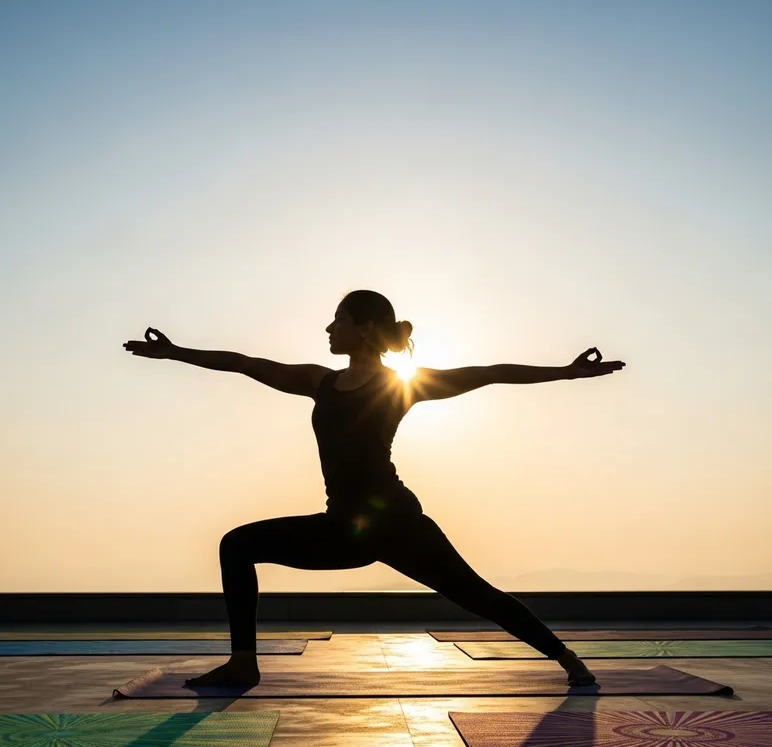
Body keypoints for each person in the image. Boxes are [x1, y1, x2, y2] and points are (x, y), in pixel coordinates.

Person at [123, 289, 625, 688]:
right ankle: (243, 664)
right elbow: (243, 362)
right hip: (343, 527)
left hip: (398, 525)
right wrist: (173, 353)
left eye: (337, 319)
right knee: (237, 544)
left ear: (362, 329)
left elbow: (489, 374)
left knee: (477, 595)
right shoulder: (319, 382)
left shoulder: (399, 385)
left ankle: (569, 659)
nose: (327, 327)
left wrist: (568, 372)